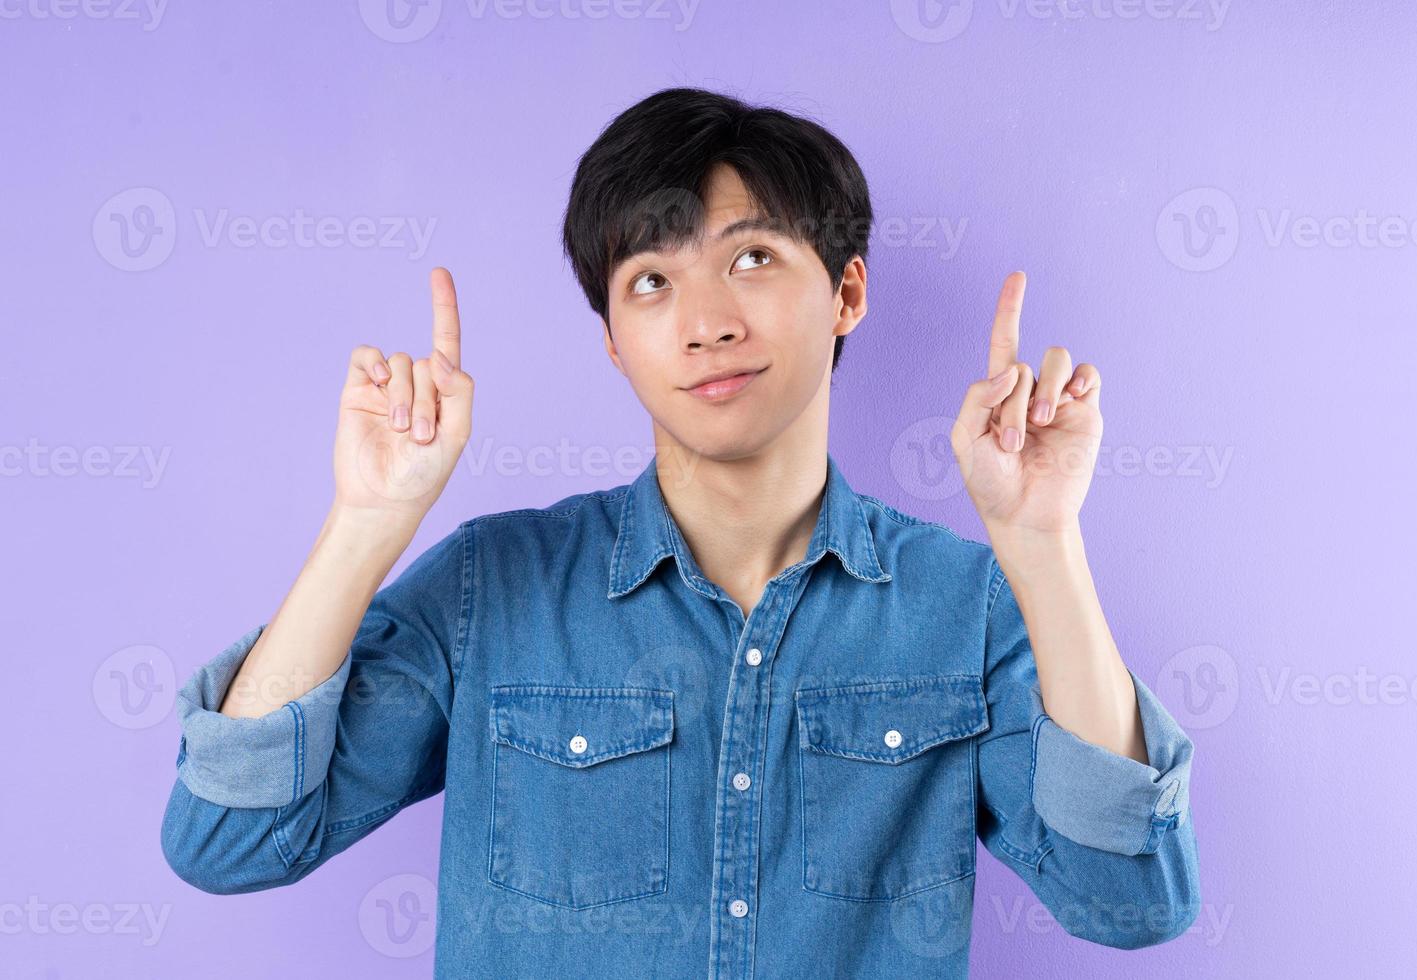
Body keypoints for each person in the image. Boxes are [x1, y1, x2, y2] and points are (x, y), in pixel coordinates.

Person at [160, 86, 1200, 978]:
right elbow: (226, 834)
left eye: (751, 258)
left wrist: (1043, 543)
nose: (706, 319)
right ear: (614, 341)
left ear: (847, 291)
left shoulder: (966, 609)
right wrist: (367, 524)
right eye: (651, 280)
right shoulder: (493, 586)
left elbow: (1131, 895)